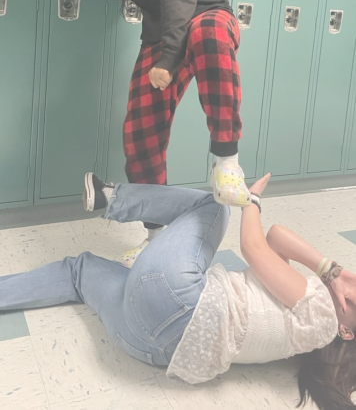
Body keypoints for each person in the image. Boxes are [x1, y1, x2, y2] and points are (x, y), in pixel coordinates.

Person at [2, 172, 356, 410]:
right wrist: (331, 271)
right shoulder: (304, 322)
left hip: (179, 300)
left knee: (215, 205)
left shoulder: (322, 316)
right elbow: (276, 238)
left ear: (346, 330)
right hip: (152, 347)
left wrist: (251, 200)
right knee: (78, 271)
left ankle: (113, 199)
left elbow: (253, 246)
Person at [69, 0, 251, 259]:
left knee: (208, 34)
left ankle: (227, 164)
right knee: (140, 135)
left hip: (203, 16)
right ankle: (155, 236)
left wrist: (168, 59)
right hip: (160, 35)